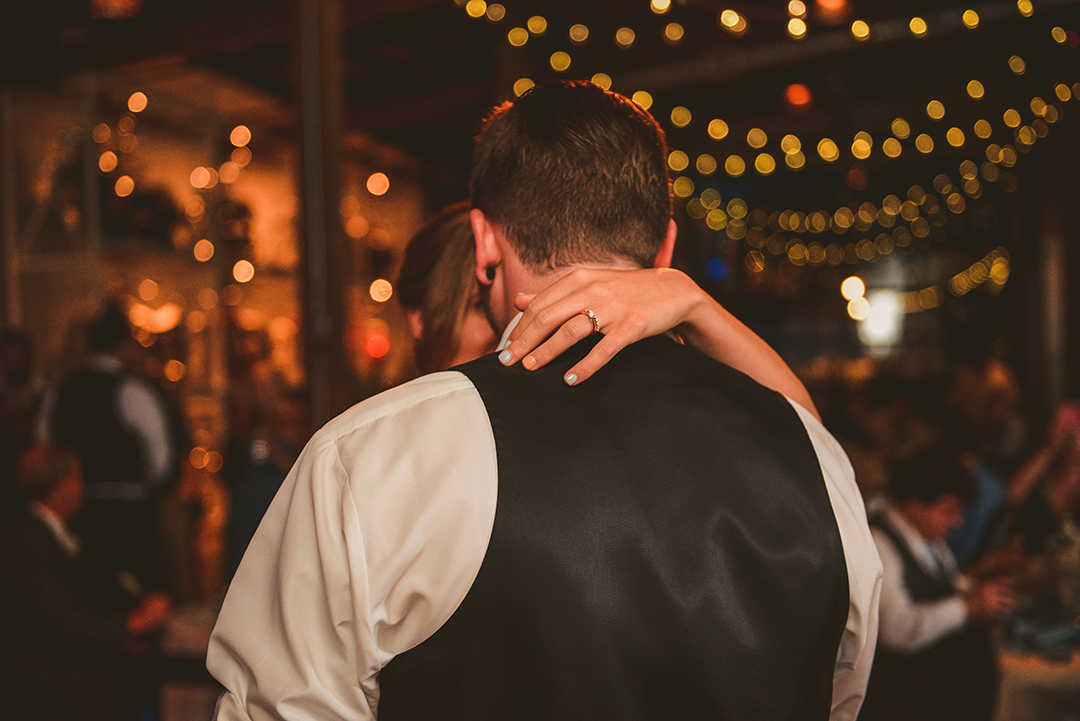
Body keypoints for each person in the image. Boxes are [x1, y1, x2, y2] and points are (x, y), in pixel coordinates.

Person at [208, 80, 881, 720]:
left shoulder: (374, 453)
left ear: (483, 242)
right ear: (667, 245)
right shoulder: (811, 455)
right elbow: (837, 689)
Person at [0, 444, 171, 721]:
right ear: (63, 485)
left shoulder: (36, 532)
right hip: (50, 683)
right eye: (78, 478)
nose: (83, 487)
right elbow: (64, 622)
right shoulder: (28, 543)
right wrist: (136, 621)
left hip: (57, 668)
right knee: (139, 690)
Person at [859, 446, 1016, 721]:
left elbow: (948, 584)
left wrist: (983, 589)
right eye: (948, 511)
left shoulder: (927, 540)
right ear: (913, 505)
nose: (957, 522)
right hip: (901, 699)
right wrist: (968, 608)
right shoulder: (879, 545)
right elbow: (896, 629)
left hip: (935, 691)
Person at [39, 303, 178, 602]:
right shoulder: (133, 391)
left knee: (83, 599)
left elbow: (45, 449)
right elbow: (161, 460)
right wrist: (142, 485)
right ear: (123, 346)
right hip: (129, 519)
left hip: (75, 517)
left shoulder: (60, 390)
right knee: (135, 602)